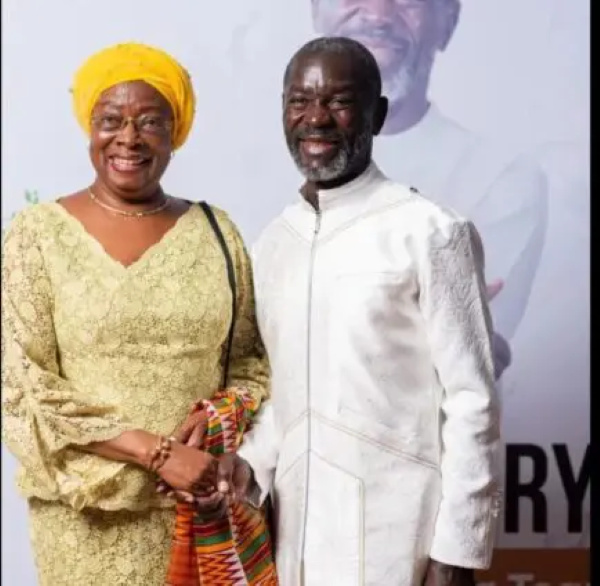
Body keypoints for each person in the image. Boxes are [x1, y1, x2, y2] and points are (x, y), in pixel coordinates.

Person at [216, 37, 502, 586]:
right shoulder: (276, 242)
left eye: (339, 101)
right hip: (296, 534)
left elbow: (473, 401)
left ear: (379, 114)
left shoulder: (430, 231)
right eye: (299, 101)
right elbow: (288, 391)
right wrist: (249, 465)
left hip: (399, 535)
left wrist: (457, 552)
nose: (316, 118)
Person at [1, 42, 272, 586]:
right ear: (89, 128)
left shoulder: (219, 233)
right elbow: (23, 385)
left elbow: (250, 367)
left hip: (200, 509)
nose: (128, 137)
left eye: (150, 121)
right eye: (111, 120)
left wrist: (218, 446)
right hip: (85, 520)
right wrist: (158, 454)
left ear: (176, 133)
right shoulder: (37, 234)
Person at [310, 0, 549, 378]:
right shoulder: (248, 174)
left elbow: (459, 362)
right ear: (316, 10)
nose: (377, 13)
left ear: (447, 22)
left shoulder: (501, 179)